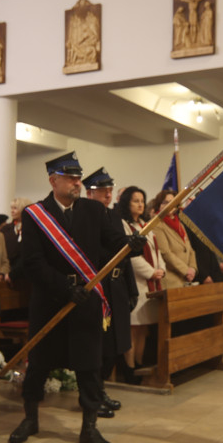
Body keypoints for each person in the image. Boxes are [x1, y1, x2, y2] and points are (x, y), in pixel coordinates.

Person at [8, 152, 145, 443]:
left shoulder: (93, 210)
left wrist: (132, 245)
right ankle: (30, 419)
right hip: (50, 301)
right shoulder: (35, 214)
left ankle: (89, 427)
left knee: (89, 365)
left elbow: (112, 242)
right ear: (53, 180)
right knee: (39, 364)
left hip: (86, 300)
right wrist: (64, 287)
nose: (77, 183)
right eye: (70, 177)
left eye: (78, 177)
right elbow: (32, 263)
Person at [83, 167, 137, 416]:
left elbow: (124, 255)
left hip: (118, 287)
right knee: (100, 346)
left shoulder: (115, 217)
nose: (107, 194)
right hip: (100, 288)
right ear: (89, 193)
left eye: (109, 190)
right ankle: (93, 395)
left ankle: (101, 390)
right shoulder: (84, 216)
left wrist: (131, 289)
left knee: (116, 344)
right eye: (102, 190)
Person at [117, 186, 165, 376]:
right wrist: (151, 272)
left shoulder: (145, 225)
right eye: (135, 201)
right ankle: (129, 368)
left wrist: (161, 269)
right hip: (136, 282)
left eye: (142, 201)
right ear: (126, 203)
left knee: (143, 329)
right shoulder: (123, 224)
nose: (140, 204)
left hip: (151, 284)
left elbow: (156, 251)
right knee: (133, 329)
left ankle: (139, 363)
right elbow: (130, 256)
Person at [150, 189, 197, 289]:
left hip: (185, 279)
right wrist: (186, 270)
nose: (170, 205)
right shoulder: (157, 224)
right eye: (165, 202)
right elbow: (165, 253)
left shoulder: (179, 223)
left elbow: (190, 249)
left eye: (172, 202)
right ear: (159, 205)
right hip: (171, 280)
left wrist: (192, 268)